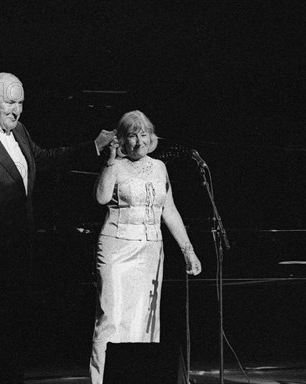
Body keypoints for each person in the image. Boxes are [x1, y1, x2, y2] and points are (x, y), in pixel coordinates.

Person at [0, 72, 116, 384]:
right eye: (9, 102)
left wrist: (94, 147)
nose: (16, 109)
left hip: (17, 250)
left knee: (13, 329)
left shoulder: (18, 130)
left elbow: (44, 158)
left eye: (20, 103)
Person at [89, 110, 202, 384]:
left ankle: (138, 378)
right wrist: (110, 162)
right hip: (117, 247)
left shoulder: (159, 167)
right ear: (121, 140)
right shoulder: (115, 165)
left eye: (143, 135)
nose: (139, 142)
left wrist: (188, 250)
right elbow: (101, 197)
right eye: (131, 136)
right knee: (111, 319)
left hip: (151, 249)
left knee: (143, 320)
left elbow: (170, 210)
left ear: (151, 138)